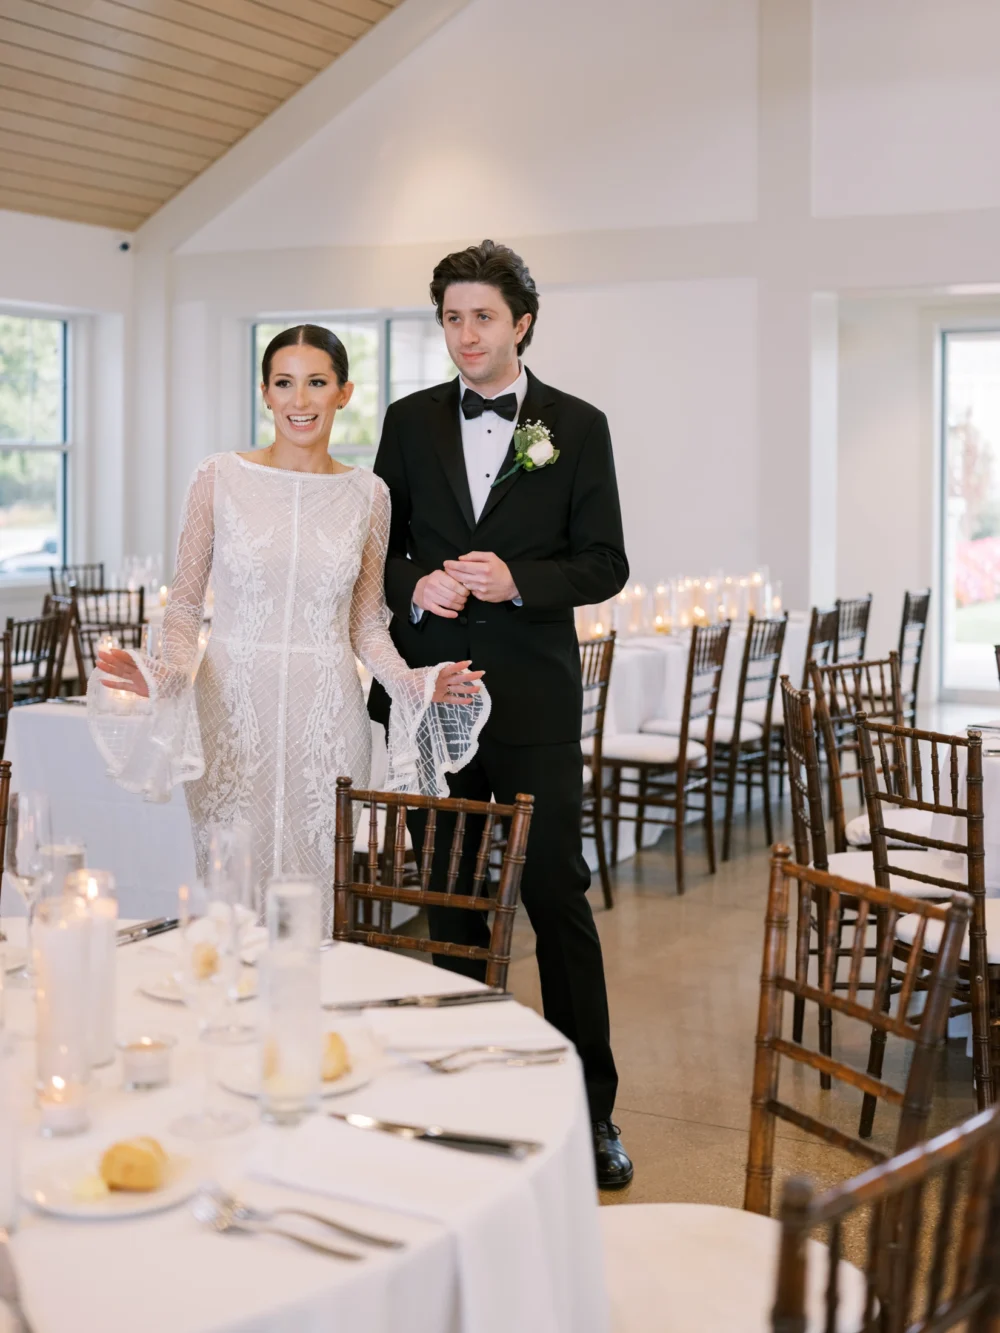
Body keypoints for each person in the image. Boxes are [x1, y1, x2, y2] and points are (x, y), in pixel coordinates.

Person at [368, 241, 633, 1188]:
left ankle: (588, 1109)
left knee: (555, 896)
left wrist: (521, 579)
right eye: (451, 317)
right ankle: (454, 1091)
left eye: (482, 317)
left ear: (521, 322)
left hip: (530, 702)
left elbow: (606, 563)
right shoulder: (406, 422)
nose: (465, 335)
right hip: (431, 693)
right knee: (441, 894)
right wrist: (419, 582)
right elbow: (378, 555)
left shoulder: (579, 425)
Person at [90, 325, 486, 920]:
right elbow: (184, 606)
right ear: (265, 393)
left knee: (316, 901)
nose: (300, 401)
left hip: (327, 720)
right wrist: (168, 674)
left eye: (317, 383)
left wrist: (411, 683)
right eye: (285, 383)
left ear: (343, 393)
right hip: (231, 713)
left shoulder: (369, 496)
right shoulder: (217, 477)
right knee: (230, 896)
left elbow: (366, 625)